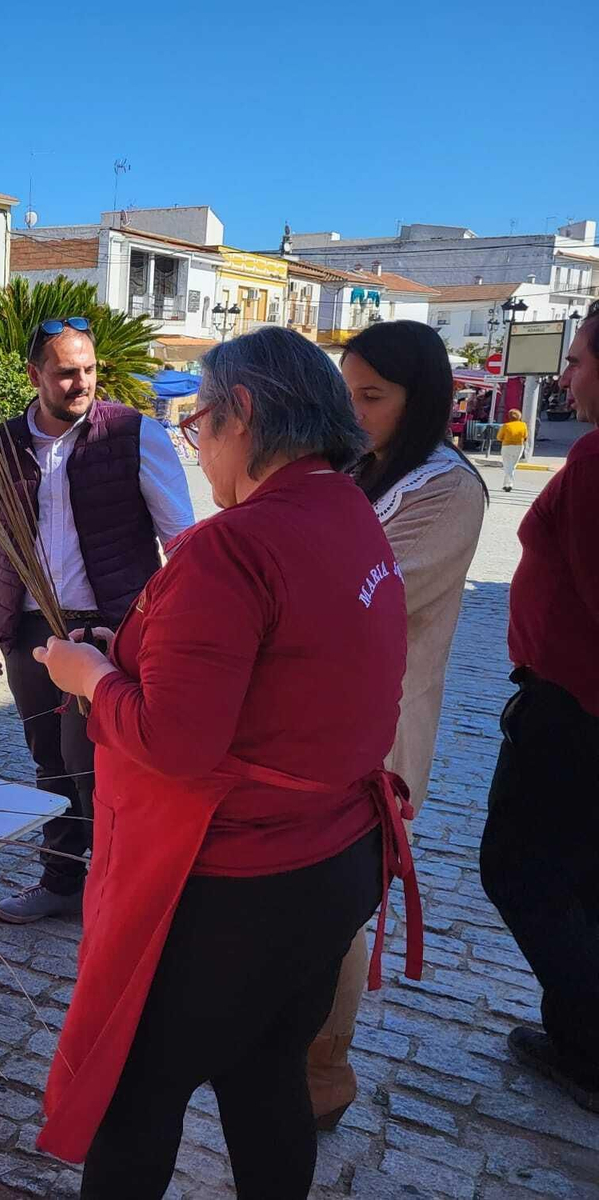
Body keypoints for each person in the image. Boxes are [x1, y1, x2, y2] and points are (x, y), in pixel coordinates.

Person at [31, 327, 420, 1198]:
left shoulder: (233, 546)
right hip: (333, 862)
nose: (195, 442)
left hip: (241, 883)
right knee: (263, 1071)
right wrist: (125, 659)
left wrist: (90, 676)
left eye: (199, 420)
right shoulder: (346, 509)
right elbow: (274, 678)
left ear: (242, 416)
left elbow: (177, 742)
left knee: (137, 1095)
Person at [303, 320, 488, 1127]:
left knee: (340, 906)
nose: (354, 412)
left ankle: (323, 1073)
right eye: (345, 394)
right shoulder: (355, 469)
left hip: (378, 733)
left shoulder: (447, 490)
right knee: (304, 893)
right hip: (312, 721)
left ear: (421, 402)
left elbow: (363, 596)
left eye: (372, 397)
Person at [0, 317, 193, 924]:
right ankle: (62, 880)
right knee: (47, 757)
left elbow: (183, 538)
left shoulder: (134, 435)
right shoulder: (3, 442)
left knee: (95, 763)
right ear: (35, 375)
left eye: (89, 370)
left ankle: (120, 889)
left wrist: (173, 628)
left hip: (109, 626)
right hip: (32, 624)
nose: (81, 383)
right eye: (67, 372)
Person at [479, 300, 599, 1113]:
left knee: (519, 871)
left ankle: (588, 1047)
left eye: (580, 360)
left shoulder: (593, 463)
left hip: (572, 710)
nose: (566, 376)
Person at [497, 408, 530, 491]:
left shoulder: (506, 426)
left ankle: (508, 484)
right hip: (519, 446)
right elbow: (525, 436)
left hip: (506, 446)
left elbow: (499, 437)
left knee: (507, 465)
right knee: (513, 465)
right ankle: (507, 484)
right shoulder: (523, 425)